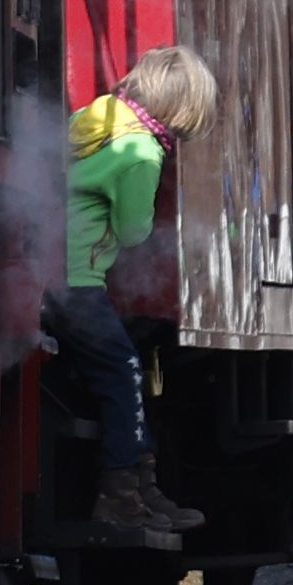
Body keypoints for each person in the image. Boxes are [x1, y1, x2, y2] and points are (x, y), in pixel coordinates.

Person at [56, 44, 217, 541]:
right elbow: (131, 231)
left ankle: (141, 488)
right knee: (124, 369)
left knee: (120, 368)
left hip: (41, 267)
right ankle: (122, 495)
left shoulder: (98, 117)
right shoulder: (141, 152)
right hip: (74, 279)